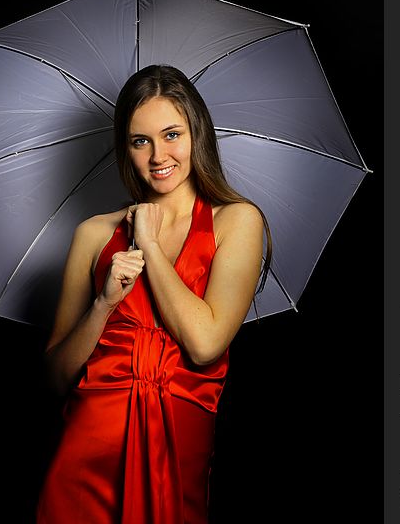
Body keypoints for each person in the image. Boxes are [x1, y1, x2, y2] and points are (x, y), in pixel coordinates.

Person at [36, 64, 272, 524]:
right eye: (140, 140)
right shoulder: (93, 233)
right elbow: (55, 377)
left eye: (171, 134)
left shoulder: (237, 221)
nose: (157, 154)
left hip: (174, 451)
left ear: (196, 133)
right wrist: (104, 304)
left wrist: (147, 244)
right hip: (88, 452)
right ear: (125, 147)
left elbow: (205, 344)